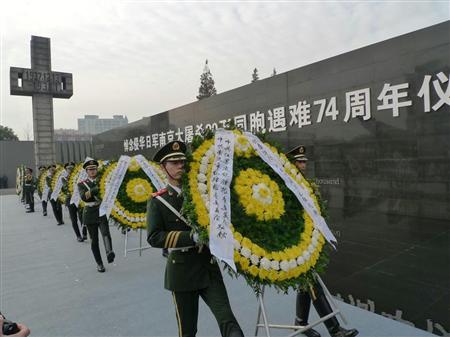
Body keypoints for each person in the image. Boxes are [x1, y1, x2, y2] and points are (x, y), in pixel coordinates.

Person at [147, 141, 244, 337]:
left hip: (207, 266)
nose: (180, 166)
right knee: (188, 331)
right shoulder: (158, 200)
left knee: (228, 322)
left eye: (182, 162)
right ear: (163, 167)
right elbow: (154, 237)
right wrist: (190, 237)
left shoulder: (202, 192)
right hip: (181, 273)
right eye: (173, 163)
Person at [286, 145, 358, 337]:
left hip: (307, 239)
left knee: (307, 283)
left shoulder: (303, 183)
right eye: (300, 162)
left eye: (304, 162)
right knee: (312, 283)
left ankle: (300, 322)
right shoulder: (287, 185)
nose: (304, 165)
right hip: (295, 243)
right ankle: (334, 330)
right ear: (292, 163)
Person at [78, 157, 115, 273]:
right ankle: (99, 263)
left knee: (106, 233)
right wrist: (96, 188)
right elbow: (84, 197)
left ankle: (109, 251)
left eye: (94, 169)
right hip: (89, 213)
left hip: (101, 210)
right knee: (94, 240)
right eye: (90, 169)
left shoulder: (103, 181)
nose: (93, 171)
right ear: (86, 171)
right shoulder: (82, 184)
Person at [62, 162, 84, 242]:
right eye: (68, 168)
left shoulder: (79, 176)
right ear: (66, 169)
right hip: (70, 201)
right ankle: (78, 235)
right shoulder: (63, 178)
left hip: (79, 200)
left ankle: (84, 232)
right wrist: (69, 180)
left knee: (82, 217)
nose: (70, 169)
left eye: (72, 168)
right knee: (74, 219)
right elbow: (64, 188)